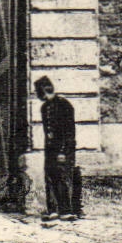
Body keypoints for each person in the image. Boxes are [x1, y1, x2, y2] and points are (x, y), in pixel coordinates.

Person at [36, 77, 81, 223]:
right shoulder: (44, 108)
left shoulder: (64, 105)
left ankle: (66, 211)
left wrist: (62, 151)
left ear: (44, 90)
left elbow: (68, 131)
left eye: (38, 91)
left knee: (62, 177)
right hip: (50, 149)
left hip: (64, 149)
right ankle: (53, 210)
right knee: (50, 177)